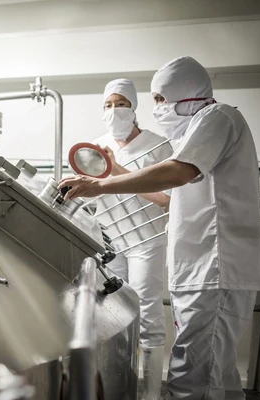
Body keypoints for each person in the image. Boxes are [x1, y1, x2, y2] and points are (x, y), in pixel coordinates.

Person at [61, 56, 260, 399]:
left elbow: (178, 173)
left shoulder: (217, 117)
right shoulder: (194, 129)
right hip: (198, 264)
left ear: (185, 94)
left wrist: (102, 183)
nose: (156, 107)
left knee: (194, 379)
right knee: (217, 374)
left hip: (215, 265)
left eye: (159, 99)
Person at [93, 78, 171, 400]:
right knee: (114, 315)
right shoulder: (96, 146)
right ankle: (119, 387)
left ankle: (151, 394)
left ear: (134, 107)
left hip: (147, 242)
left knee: (148, 316)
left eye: (121, 104)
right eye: (108, 105)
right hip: (112, 243)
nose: (114, 111)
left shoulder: (159, 145)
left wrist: (116, 168)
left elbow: (167, 199)